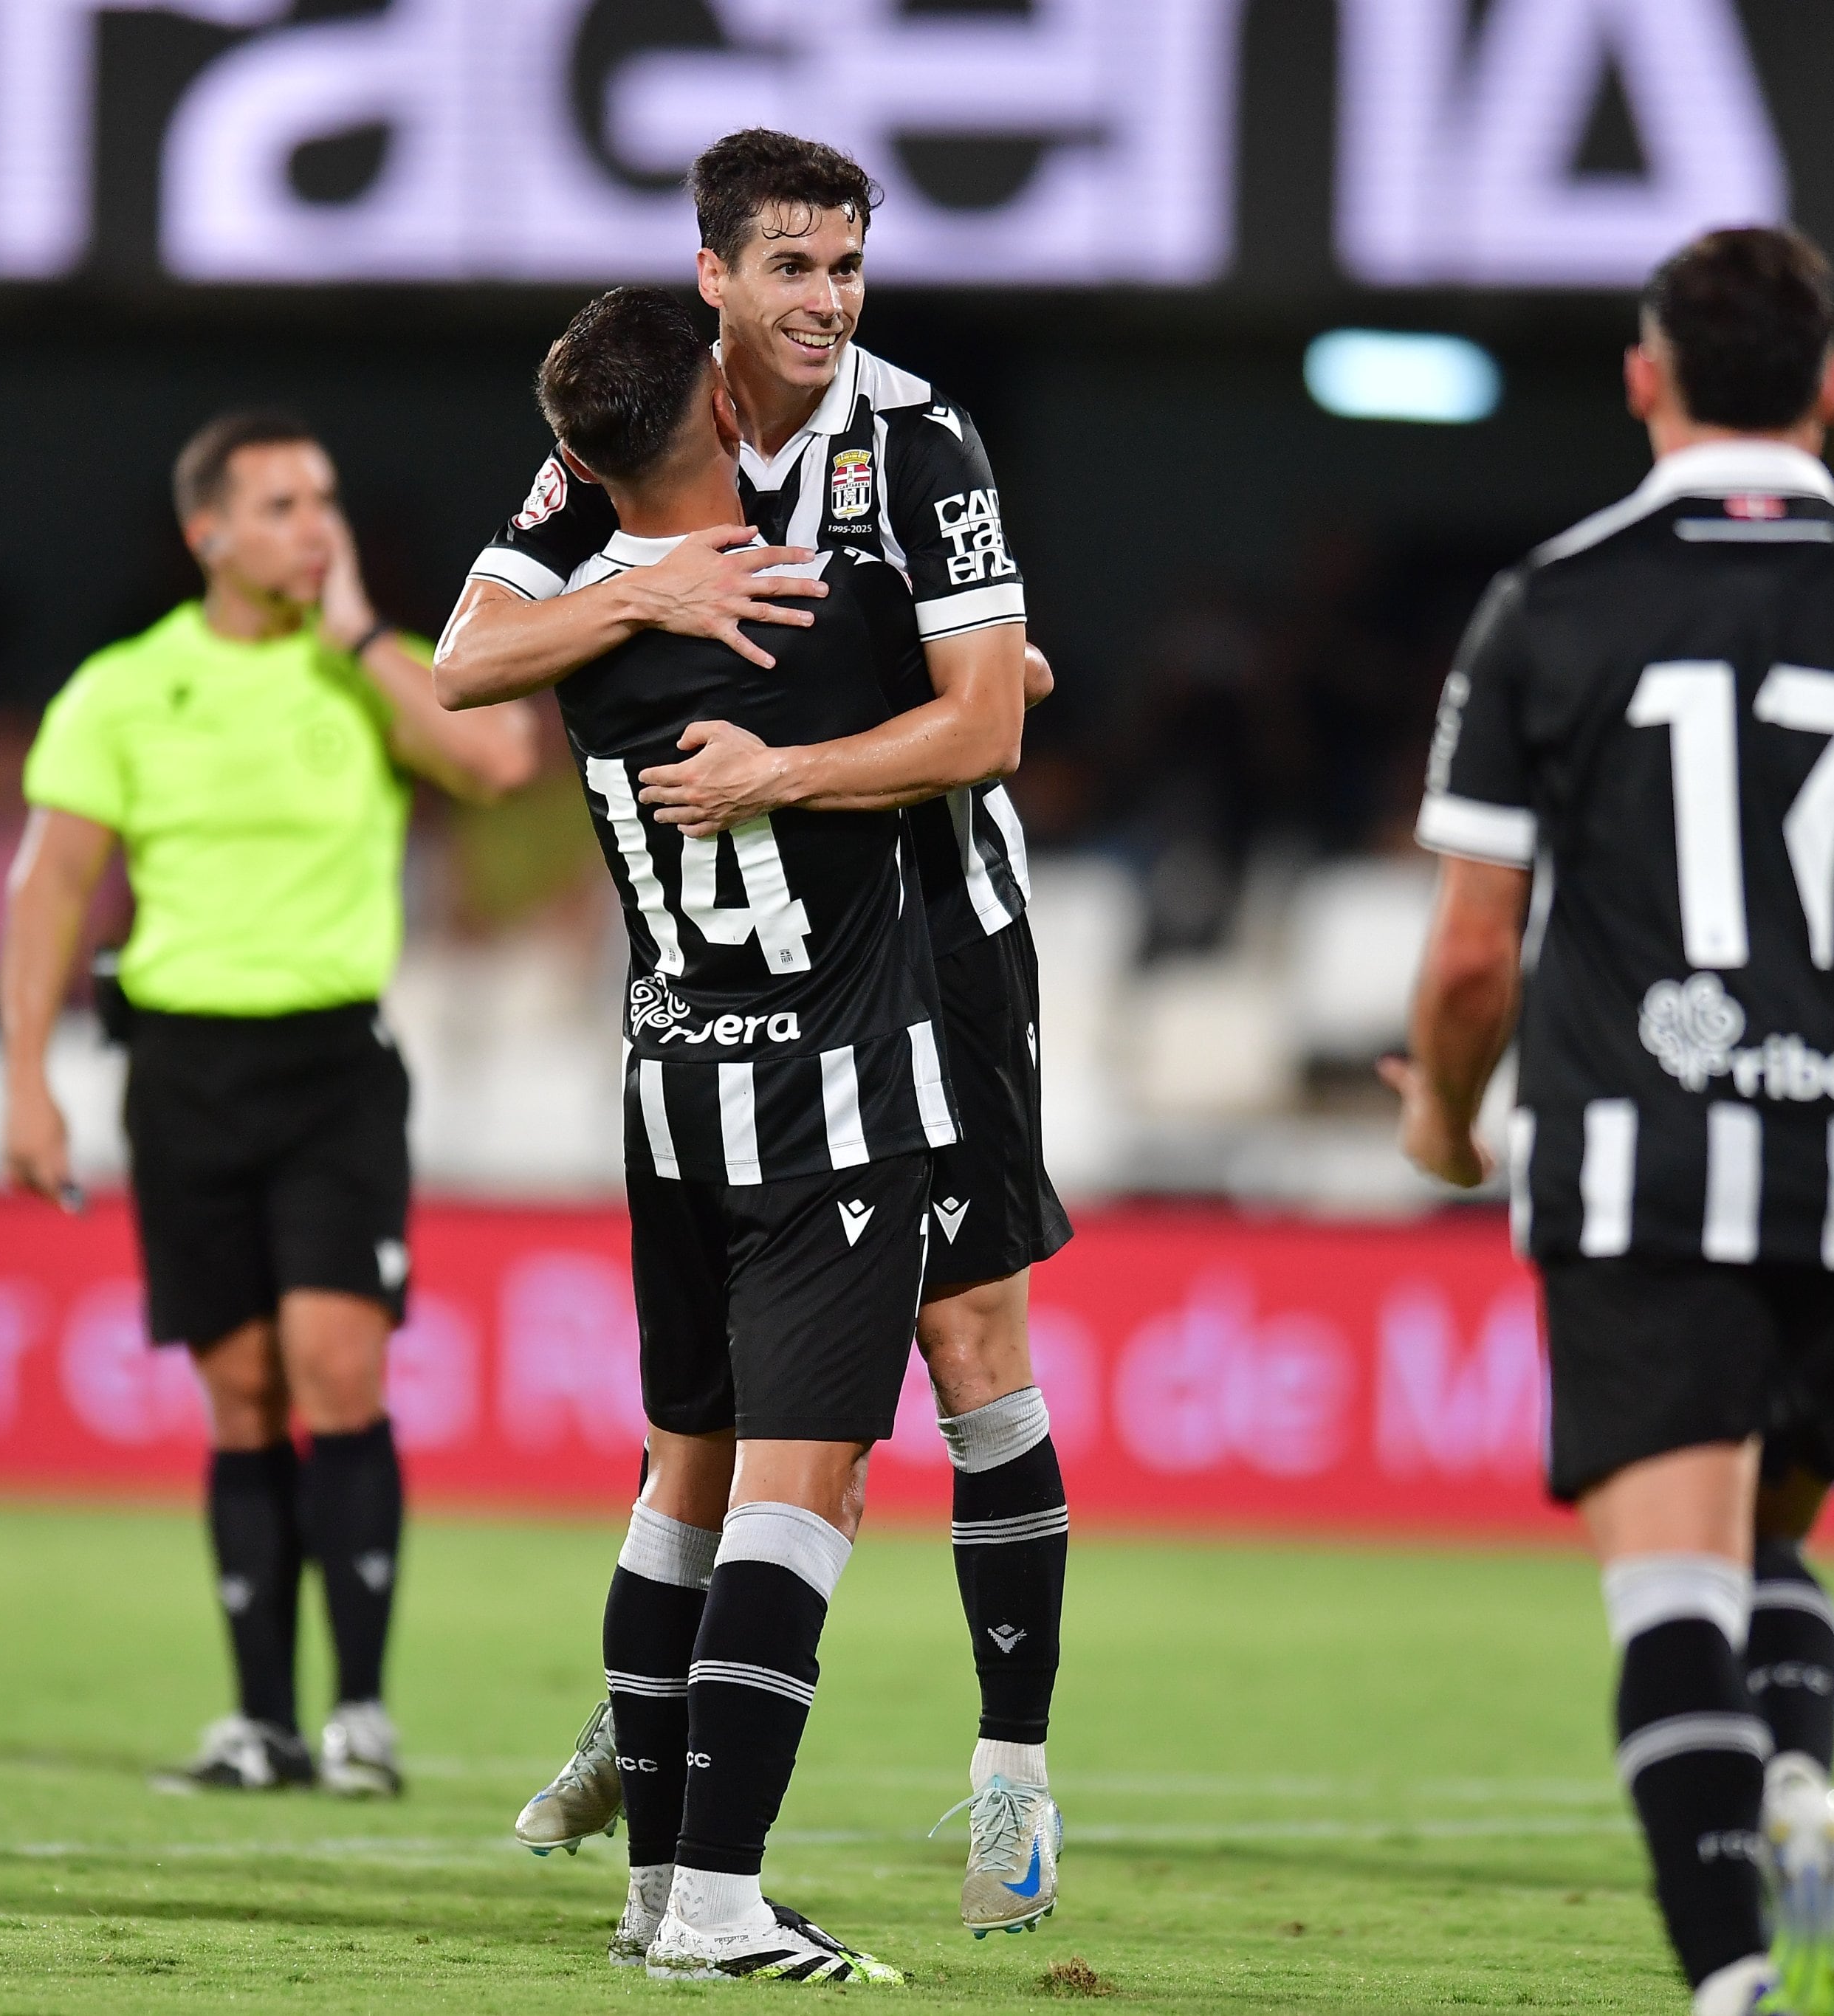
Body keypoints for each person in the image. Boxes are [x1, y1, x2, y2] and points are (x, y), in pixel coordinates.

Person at [1389, 225, 1834, 2016]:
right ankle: (1799, 1780)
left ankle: (1743, 1976)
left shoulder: (1554, 599)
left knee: (1672, 1588)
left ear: (1642, 378)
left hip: (1641, 1160)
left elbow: (1467, 955)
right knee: (1771, 1548)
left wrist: (1446, 1119)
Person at [440, 126, 1074, 1944]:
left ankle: (1010, 1773)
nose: (826, 301)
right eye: (792, 268)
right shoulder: (639, 432)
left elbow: (989, 723)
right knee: (777, 1415)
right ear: (713, 273)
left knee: (970, 1346)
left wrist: (792, 749)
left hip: (944, 940)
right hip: (789, 984)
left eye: (847, 267)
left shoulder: (921, 438)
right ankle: (688, 1736)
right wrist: (646, 592)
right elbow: (466, 653)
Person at [0, 410, 540, 1797]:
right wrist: (26, 1081)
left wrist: (362, 634)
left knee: (337, 1367)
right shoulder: (124, 690)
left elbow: (496, 765)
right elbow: (52, 885)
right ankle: (263, 1723)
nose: (316, 526)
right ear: (209, 533)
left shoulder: (368, 674)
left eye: (327, 499)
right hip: (183, 1072)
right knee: (240, 1395)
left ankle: (359, 1709)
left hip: (330, 1069)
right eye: (284, 503)